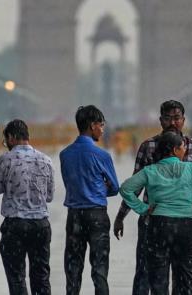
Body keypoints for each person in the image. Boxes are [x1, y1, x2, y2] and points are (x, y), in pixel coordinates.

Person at [113, 100, 192, 295]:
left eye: (177, 118)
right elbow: (134, 186)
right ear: (160, 120)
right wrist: (122, 216)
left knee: (184, 278)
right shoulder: (148, 146)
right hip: (151, 221)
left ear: (184, 120)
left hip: (183, 222)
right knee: (146, 275)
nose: (173, 123)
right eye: (168, 118)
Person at [120, 131, 192, 295]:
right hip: (187, 227)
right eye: (183, 147)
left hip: (158, 226)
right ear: (175, 150)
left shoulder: (150, 171)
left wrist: (143, 209)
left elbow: (126, 189)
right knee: (189, 282)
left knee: (159, 282)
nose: (185, 150)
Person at [0, 119, 55, 295]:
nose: (6, 145)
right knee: (41, 277)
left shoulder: (6, 159)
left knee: (16, 278)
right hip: (41, 225)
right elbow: (50, 196)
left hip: (15, 226)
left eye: (6, 141)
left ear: (13, 137)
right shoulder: (46, 160)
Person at [60, 105, 119, 295]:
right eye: (101, 125)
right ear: (92, 126)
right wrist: (98, 190)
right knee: (99, 270)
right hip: (97, 215)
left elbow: (70, 182)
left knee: (73, 269)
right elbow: (115, 187)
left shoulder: (65, 154)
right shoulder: (102, 155)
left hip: (75, 215)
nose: (102, 129)